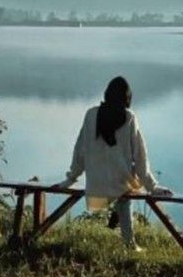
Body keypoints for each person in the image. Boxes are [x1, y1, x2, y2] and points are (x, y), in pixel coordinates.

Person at [64, 75, 172, 250]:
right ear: (127, 98)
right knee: (131, 186)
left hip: (95, 188)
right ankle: (129, 243)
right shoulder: (129, 118)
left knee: (127, 184)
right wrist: (152, 187)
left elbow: (80, 150)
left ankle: (116, 214)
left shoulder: (91, 115)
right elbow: (140, 156)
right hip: (120, 186)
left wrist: (71, 178)